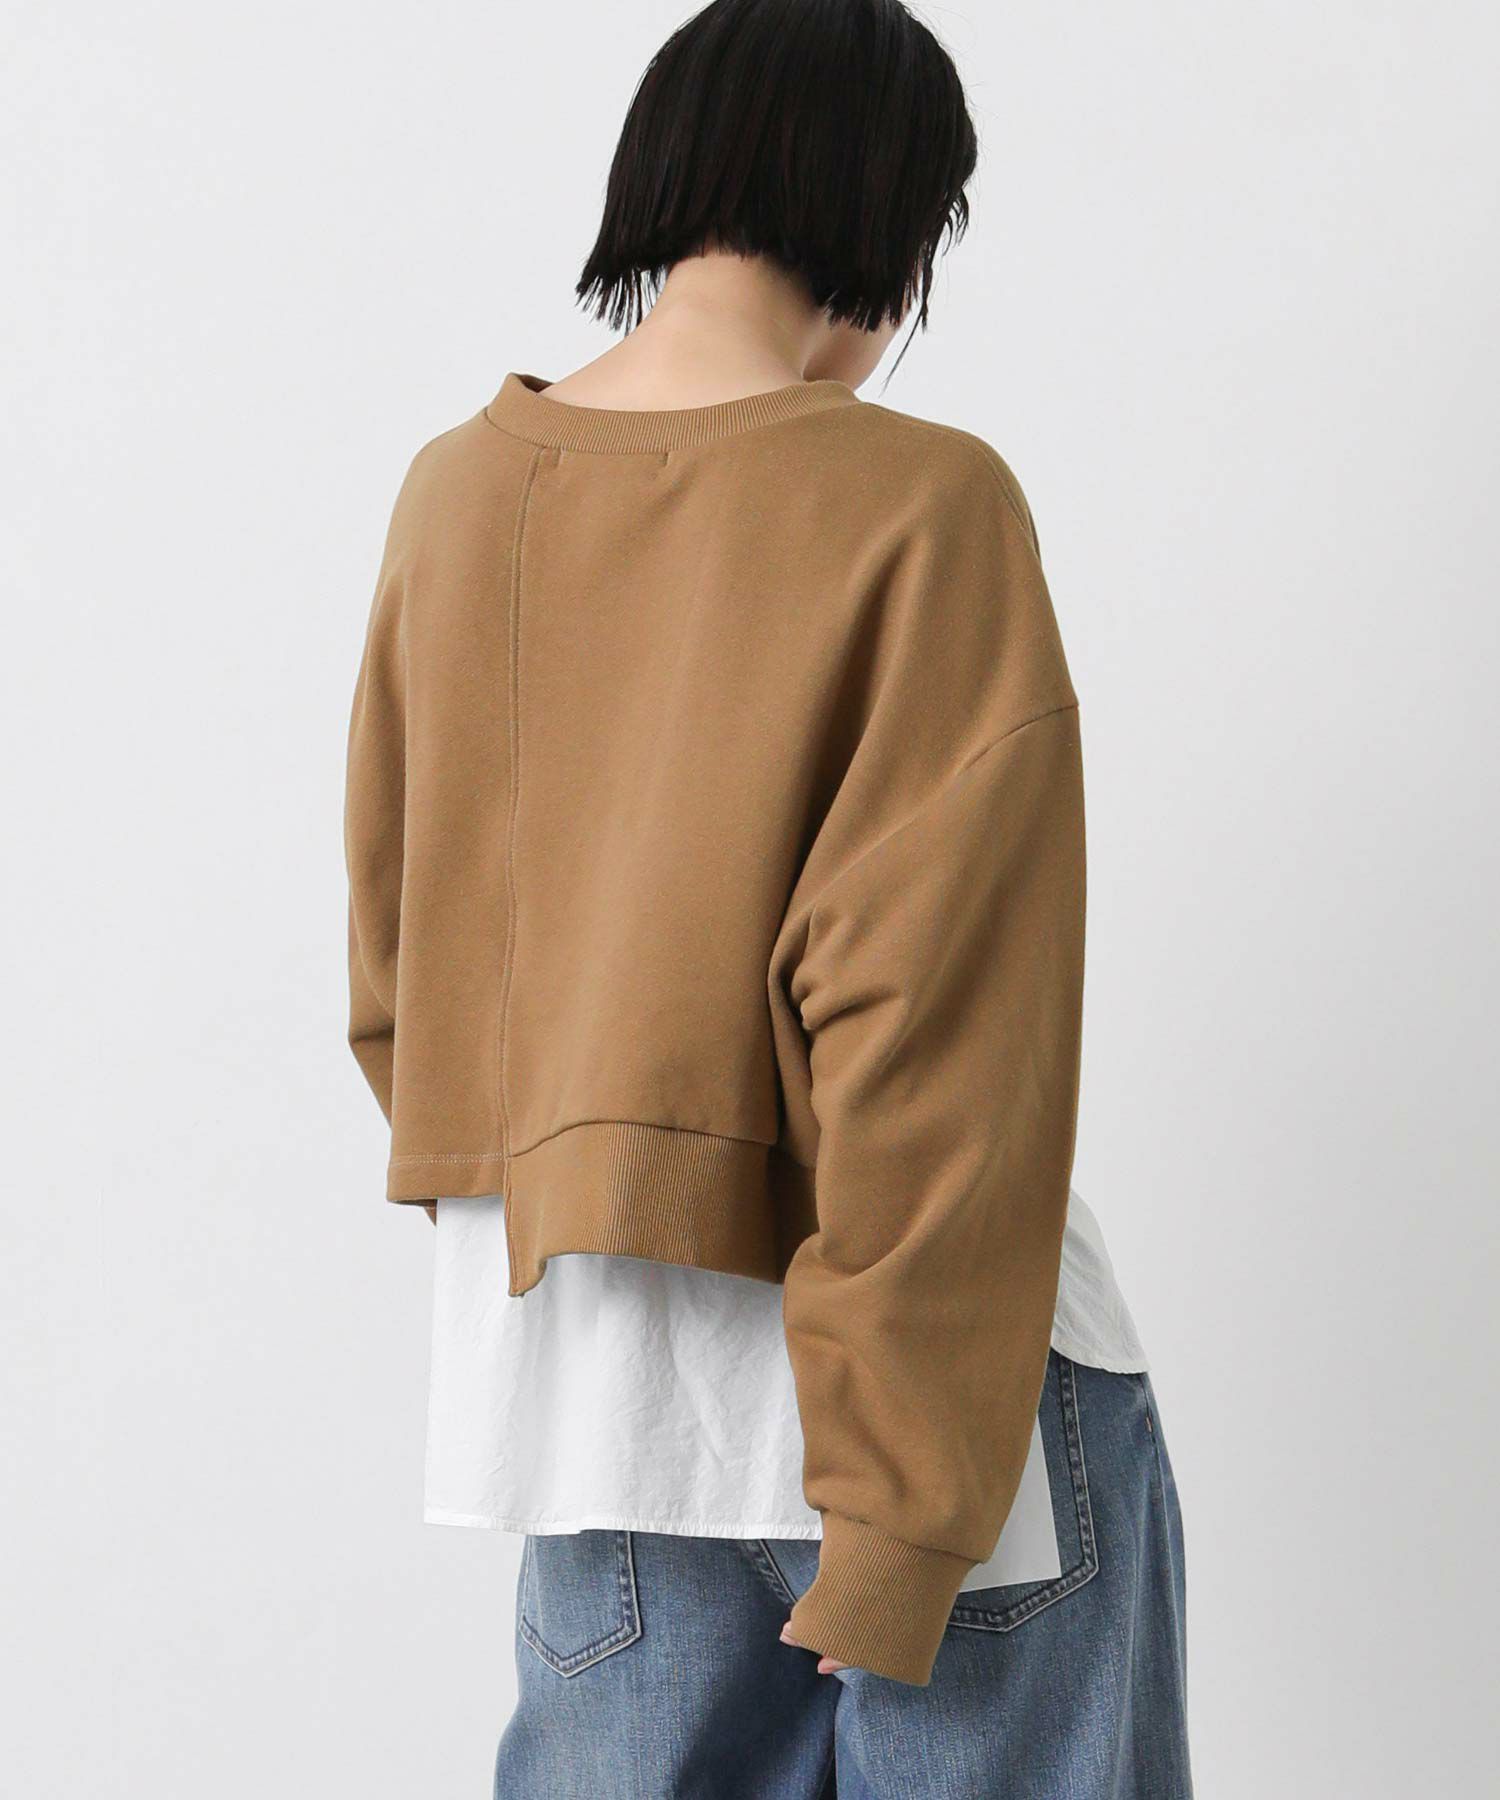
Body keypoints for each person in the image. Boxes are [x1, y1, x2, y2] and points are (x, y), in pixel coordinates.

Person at [344, 0, 1192, 1792]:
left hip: (597, 1422)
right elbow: (935, 1040)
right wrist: (901, 1518)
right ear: (889, 215)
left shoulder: (454, 495)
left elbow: (407, 1003)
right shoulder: (923, 504)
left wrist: (614, 1187)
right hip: (940, 1428)